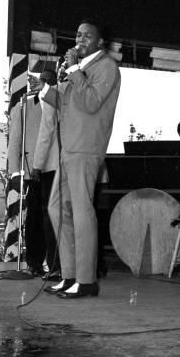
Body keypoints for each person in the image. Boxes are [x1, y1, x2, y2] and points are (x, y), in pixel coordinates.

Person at [38, 18, 121, 298]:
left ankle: (86, 280)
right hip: (68, 148)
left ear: (100, 42)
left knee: (82, 210)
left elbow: (90, 102)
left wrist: (73, 70)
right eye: (78, 35)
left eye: (87, 36)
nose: (80, 40)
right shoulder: (81, 69)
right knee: (56, 208)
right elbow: (67, 104)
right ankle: (70, 274)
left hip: (86, 147)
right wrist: (46, 90)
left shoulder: (106, 67)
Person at [6, 62, 47, 276]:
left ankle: (58, 266)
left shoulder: (60, 106)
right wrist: (15, 172)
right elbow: (15, 143)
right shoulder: (22, 107)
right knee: (35, 219)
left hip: (58, 169)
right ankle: (35, 262)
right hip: (35, 171)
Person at [28, 69, 62, 281]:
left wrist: (37, 165)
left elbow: (46, 133)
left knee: (51, 217)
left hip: (51, 167)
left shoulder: (53, 98)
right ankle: (58, 265)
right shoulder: (70, 97)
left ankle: (56, 266)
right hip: (68, 164)